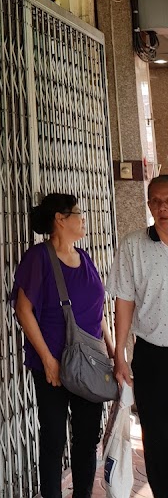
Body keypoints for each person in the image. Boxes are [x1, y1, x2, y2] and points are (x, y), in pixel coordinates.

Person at [12, 193, 114, 498]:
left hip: (90, 366)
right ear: (60, 219)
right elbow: (23, 309)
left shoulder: (85, 258)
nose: (83, 219)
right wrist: (47, 359)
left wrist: (112, 352)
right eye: (78, 213)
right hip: (53, 367)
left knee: (86, 439)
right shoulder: (38, 258)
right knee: (54, 439)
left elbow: (97, 312)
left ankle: (82, 493)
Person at [108, 173, 168, 498]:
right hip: (152, 356)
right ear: (148, 205)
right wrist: (120, 354)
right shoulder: (134, 245)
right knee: (157, 438)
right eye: (156, 201)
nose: (163, 207)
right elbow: (124, 302)